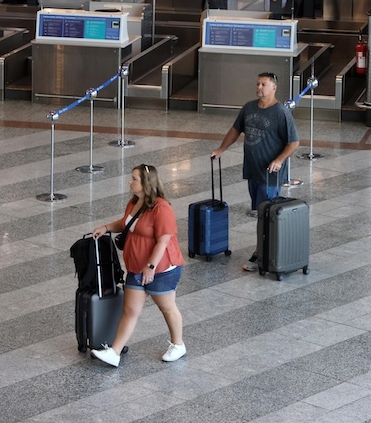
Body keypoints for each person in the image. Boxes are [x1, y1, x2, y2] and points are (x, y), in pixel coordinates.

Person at [90, 164, 187, 368]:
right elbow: (127, 223)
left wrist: (150, 267)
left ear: (145, 182)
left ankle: (178, 345)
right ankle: (114, 352)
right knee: (130, 309)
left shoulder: (162, 208)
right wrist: (106, 227)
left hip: (161, 268)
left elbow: (164, 240)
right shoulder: (134, 202)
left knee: (167, 307)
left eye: (134, 178)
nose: (130, 182)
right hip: (136, 267)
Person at [210, 72, 299, 272]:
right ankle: (266, 250)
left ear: (274, 88)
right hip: (252, 171)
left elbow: (293, 142)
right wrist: (221, 149)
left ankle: (260, 253)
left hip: (270, 175)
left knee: (265, 215)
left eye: (264, 84)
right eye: (258, 84)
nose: (259, 87)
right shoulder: (249, 108)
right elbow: (235, 130)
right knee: (260, 213)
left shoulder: (281, 113)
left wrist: (278, 160)